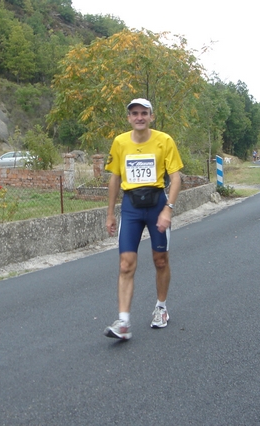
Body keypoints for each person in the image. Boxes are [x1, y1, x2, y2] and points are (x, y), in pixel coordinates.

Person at [103, 98, 184, 340]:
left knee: (160, 260)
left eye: (144, 113)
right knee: (125, 264)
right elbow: (115, 179)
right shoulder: (120, 142)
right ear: (128, 117)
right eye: (134, 113)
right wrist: (109, 214)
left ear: (151, 116)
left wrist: (168, 210)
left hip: (157, 205)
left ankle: (161, 308)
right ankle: (123, 322)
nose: (139, 117)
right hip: (131, 208)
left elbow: (176, 178)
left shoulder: (164, 140)